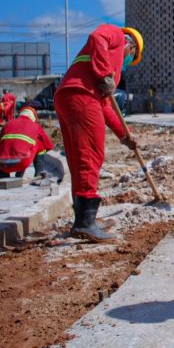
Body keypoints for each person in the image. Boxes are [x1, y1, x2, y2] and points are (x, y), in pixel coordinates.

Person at [54, 24, 144, 242]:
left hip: (70, 96)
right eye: (131, 57)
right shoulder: (116, 35)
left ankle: (83, 219)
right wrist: (105, 74)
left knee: (78, 158)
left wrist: (125, 135)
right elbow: (97, 36)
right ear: (131, 47)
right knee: (90, 154)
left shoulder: (108, 69)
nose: (127, 61)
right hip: (82, 95)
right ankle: (85, 223)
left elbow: (106, 106)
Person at [0, 106, 54, 179]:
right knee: (40, 144)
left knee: (9, 143)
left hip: (1, 162)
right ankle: (38, 173)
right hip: (22, 162)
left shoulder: (8, 124)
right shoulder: (35, 126)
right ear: (33, 117)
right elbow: (49, 145)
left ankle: (3, 172)